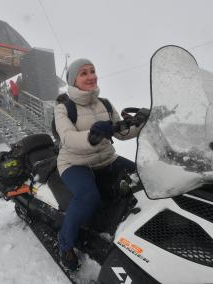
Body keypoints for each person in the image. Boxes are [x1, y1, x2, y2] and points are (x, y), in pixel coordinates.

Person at [54, 58, 146, 270]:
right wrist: (93, 136)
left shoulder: (104, 103)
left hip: (106, 159)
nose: (91, 76)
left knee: (143, 176)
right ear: (73, 80)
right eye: (84, 73)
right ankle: (65, 243)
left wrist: (142, 123)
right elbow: (68, 138)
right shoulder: (63, 108)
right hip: (74, 163)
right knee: (88, 197)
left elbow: (121, 133)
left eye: (92, 71)